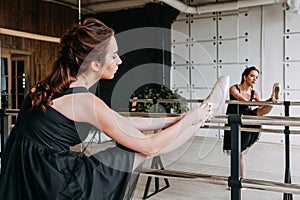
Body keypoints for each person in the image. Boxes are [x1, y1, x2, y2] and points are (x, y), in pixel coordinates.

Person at [0, 17, 228, 200]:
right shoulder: (84, 102)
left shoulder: (43, 88)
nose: (120, 61)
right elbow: (150, 146)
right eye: (114, 55)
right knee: (139, 150)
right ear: (95, 63)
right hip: (57, 186)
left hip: (30, 177)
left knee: (139, 141)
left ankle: (204, 113)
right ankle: (206, 113)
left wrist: (177, 118)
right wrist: (191, 118)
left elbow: (122, 122)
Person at [223, 66, 278, 179]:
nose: (254, 79)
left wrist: (267, 102)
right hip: (234, 121)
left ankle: (273, 101)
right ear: (244, 77)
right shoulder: (234, 88)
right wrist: (264, 101)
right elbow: (244, 102)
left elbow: (261, 105)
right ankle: (238, 180)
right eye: (252, 76)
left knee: (261, 111)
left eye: (256, 77)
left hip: (247, 119)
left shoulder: (255, 93)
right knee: (238, 153)